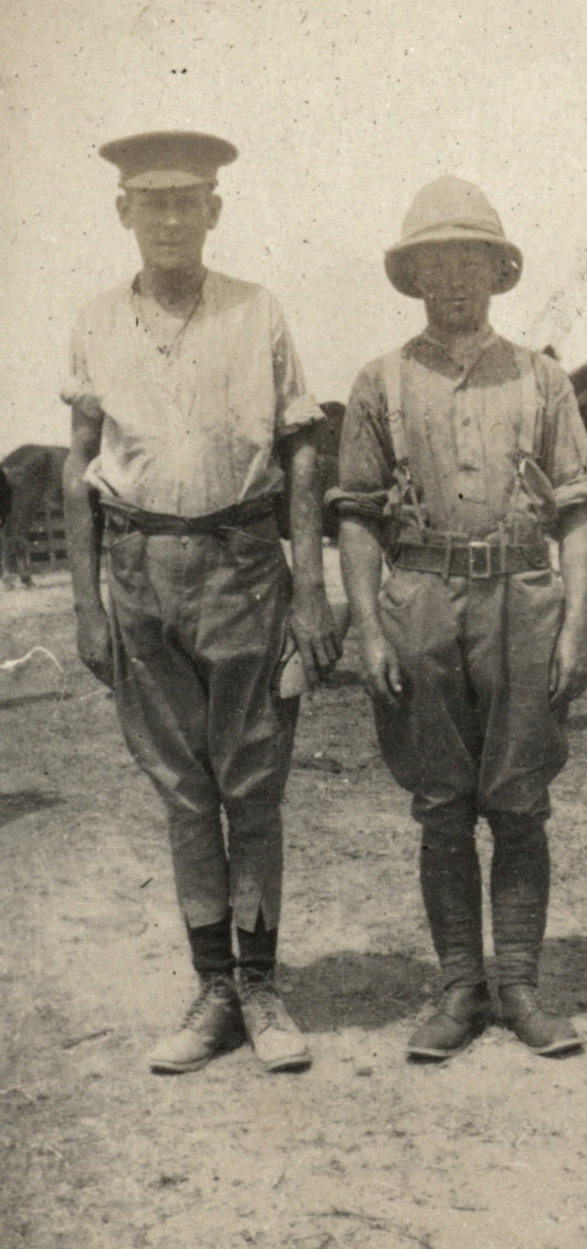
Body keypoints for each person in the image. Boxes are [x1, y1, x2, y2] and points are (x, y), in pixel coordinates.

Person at [62, 131, 343, 1074]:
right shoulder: (97, 321)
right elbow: (78, 467)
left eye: (190, 201)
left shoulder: (257, 311)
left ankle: (262, 986)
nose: (172, 218)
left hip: (243, 567)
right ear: (125, 213)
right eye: (154, 202)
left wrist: (309, 587)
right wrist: (87, 607)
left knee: (251, 786)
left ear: (215, 210)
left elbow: (303, 451)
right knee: (184, 792)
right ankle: (212, 989)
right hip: (139, 575)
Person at [332, 176, 587, 1059]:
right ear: (413, 277)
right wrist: (369, 628)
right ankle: (458, 987)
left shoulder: (543, 379)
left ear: (497, 270)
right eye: (435, 262)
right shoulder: (378, 382)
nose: (454, 278)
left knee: (520, 805)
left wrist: (574, 626)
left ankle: (519, 984)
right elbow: (357, 513)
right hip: (418, 602)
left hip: (524, 601)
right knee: (441, 806)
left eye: (470, 260)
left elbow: (576, 510)